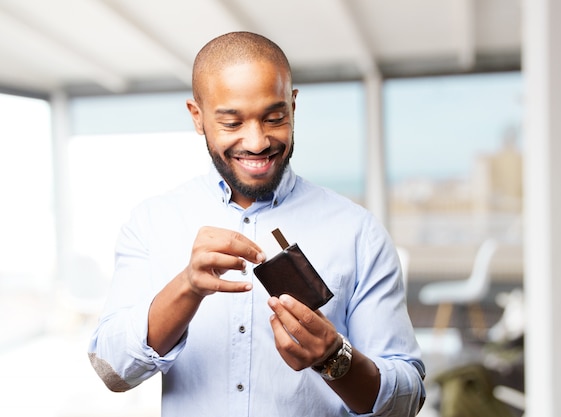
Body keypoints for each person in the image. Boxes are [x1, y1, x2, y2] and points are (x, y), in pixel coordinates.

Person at [88, 31, 426, 416]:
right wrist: (187, 286)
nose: (258, 142)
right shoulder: (152, 222)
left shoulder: (358, 232)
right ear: (197, 117)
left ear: (293, 106)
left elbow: (409, 399)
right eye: (232, 123)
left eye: (275, 117)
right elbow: (113, 371)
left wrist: (335, 358)